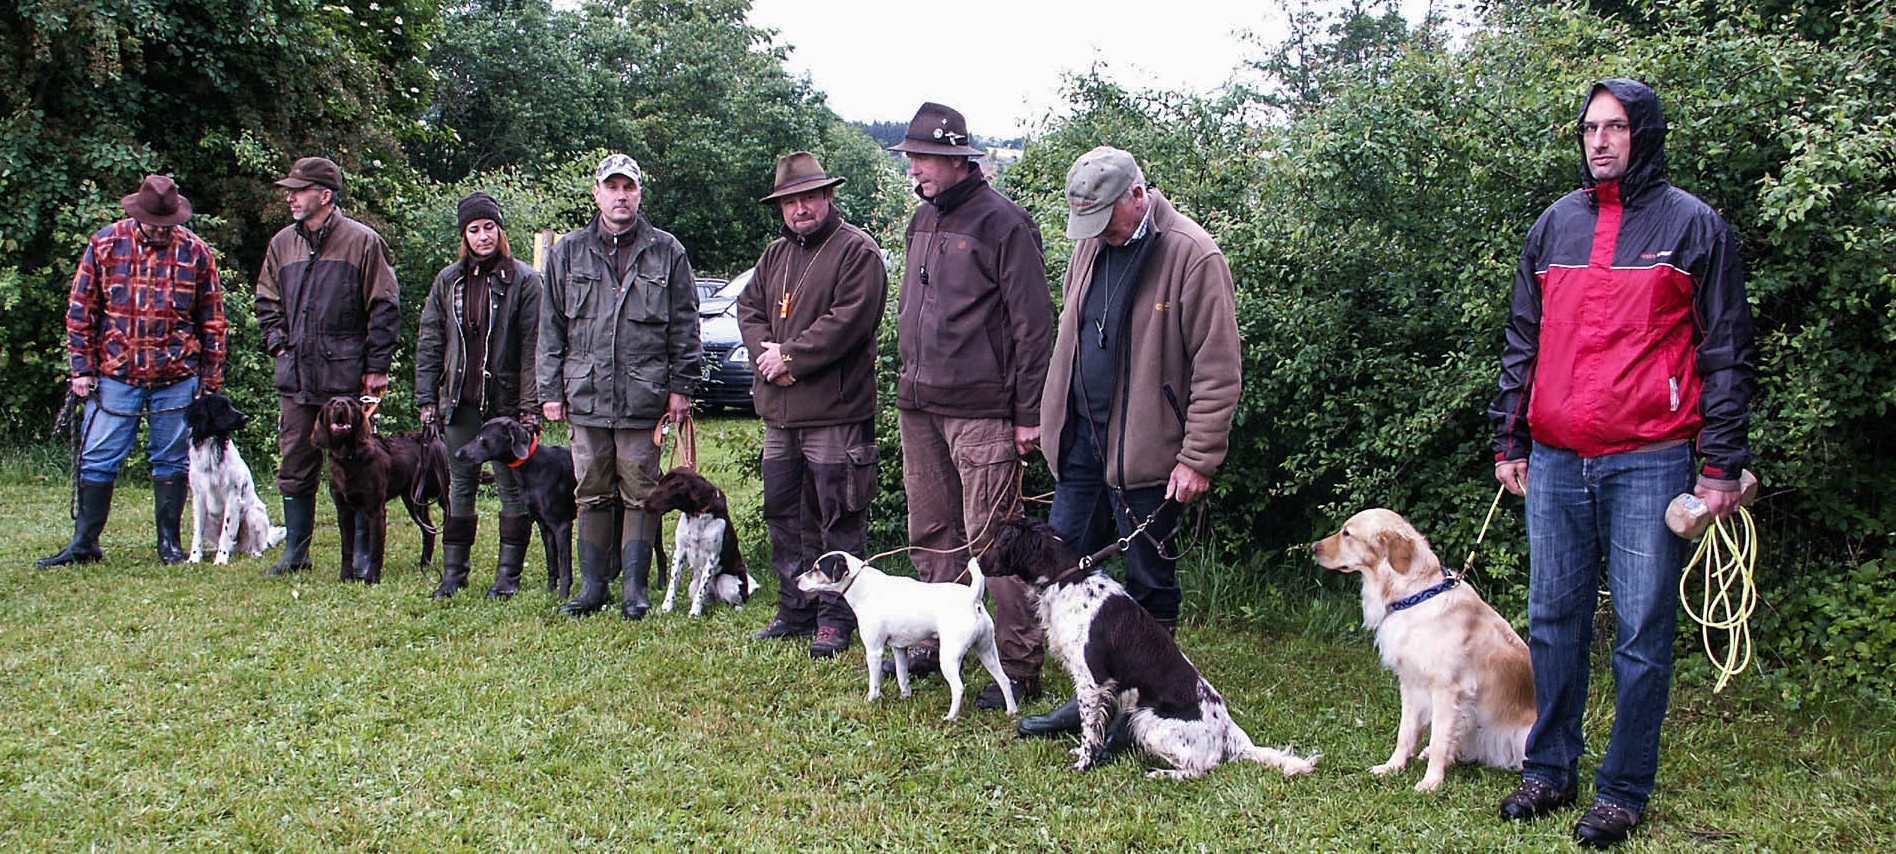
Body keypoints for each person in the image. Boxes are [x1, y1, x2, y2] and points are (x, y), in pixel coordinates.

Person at [1488, 78, 1755, 848]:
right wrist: (1511, 439)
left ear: (1645, 133)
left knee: (1641, 629)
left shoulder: (1693, 226)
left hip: (1652, 459)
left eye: (1614, 128)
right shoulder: (1554, 226)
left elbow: (1726, 351)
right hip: (1558, 458)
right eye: (1588, 129)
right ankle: (1550, 769)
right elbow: (1521, 342)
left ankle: (1623, 789)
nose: (1598, 141)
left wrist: (1721, 465)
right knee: (1553, 620)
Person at [1014, 146, 1242, 739]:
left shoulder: (1193, 255)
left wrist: (1198, 457)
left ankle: (1141, 706)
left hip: (1149, 454)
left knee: (1146, 583)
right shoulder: (1091, 246)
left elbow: (1218, 369)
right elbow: (1072, 336)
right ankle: (1089, 697)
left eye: (1103, 220)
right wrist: (1050, 416)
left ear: (1136, 196)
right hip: (1081, 444)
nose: (1092, 235)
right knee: (1068, 569)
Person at [889, 102, 1053, 707]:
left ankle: (1019, 663)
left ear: (958, 159)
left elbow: (1035, 326)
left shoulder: (1005, 224)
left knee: (994, 539)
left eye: (924, 159)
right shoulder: (920, 221)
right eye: (910, 159)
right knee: (931, 529)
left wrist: (1028, 414)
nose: (915, 171)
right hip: (919, 403)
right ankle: (941, 638)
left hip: (984, 409)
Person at [738, 152, 888, 658]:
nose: (799, 208)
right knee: (783, 513)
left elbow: (849, 322)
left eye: (808, 197)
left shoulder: (856, 251)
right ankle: (794, 608)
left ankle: (836, 618)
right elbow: (749, 307)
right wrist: (767, 352)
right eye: (789, 201)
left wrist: (791, 357)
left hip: (835, 412)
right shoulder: (774, 256)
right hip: (780, 412)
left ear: (828, 196)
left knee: (838, 518)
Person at [539, 153, 701, 620]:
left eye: (628, 187)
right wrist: (550, 390)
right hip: (585, 393)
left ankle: (635, 589)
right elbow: (550, 327)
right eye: (612, 187)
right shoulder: (568, 251)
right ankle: (593, 586)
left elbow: (686, 326)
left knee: (641, 490)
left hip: (644, 396)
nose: (620, 195)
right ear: (597, 193)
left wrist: (681, 387)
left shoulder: (667, 251)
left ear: (639, 193)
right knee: (590, 489)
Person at [39, 175, 228, 567]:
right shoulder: (105, 243)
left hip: (177, 375)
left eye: (167, 222)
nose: (160, 229)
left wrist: (209, 382)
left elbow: (213, 322)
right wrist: (81, 369)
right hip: (113, 374)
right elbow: (80, 310)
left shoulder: (196, 253)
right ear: (138, 214)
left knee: (172, 459)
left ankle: (170, 545)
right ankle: (85, 543)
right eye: (154, 221)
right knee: (98, 456)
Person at [254, 156, 402, 577]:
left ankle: (358, 557)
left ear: (324, 195)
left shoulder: (363, 242)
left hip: (346, 376)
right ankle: (296, 552)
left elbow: (385, 306)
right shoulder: (282, 243)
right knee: (294, 462)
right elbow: (266, 299)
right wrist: (278, 344)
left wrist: (377, 366)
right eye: (291, 190)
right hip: (296, 375)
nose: (291, 197)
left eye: (298, 190)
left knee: (358, 463)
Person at [415, 191, 544, 599]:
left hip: (505, 407)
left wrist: (529, 408)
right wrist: (426, 399)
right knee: (460, 484)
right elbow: (431, 341)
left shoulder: (525, 280)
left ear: (500, 230)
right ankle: (454, 575)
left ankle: (507, 579)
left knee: (512, 488)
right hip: (459, 401)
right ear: (465, 235)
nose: (483, 237)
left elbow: (533, 349)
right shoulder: (447, 281)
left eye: (489, 227)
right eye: (474, 229)